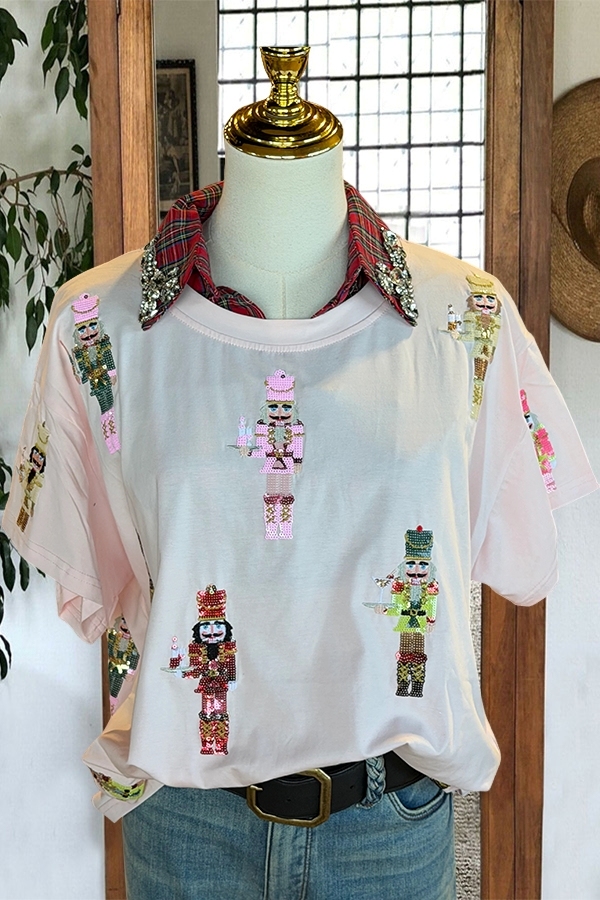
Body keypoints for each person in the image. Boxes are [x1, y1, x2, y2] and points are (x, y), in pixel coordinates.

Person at [2, 47, 597, 900]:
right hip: (188, 827)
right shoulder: (98, 327)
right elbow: (99, 581)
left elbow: (524, 563)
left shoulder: (466, 321)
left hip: (389, 831)